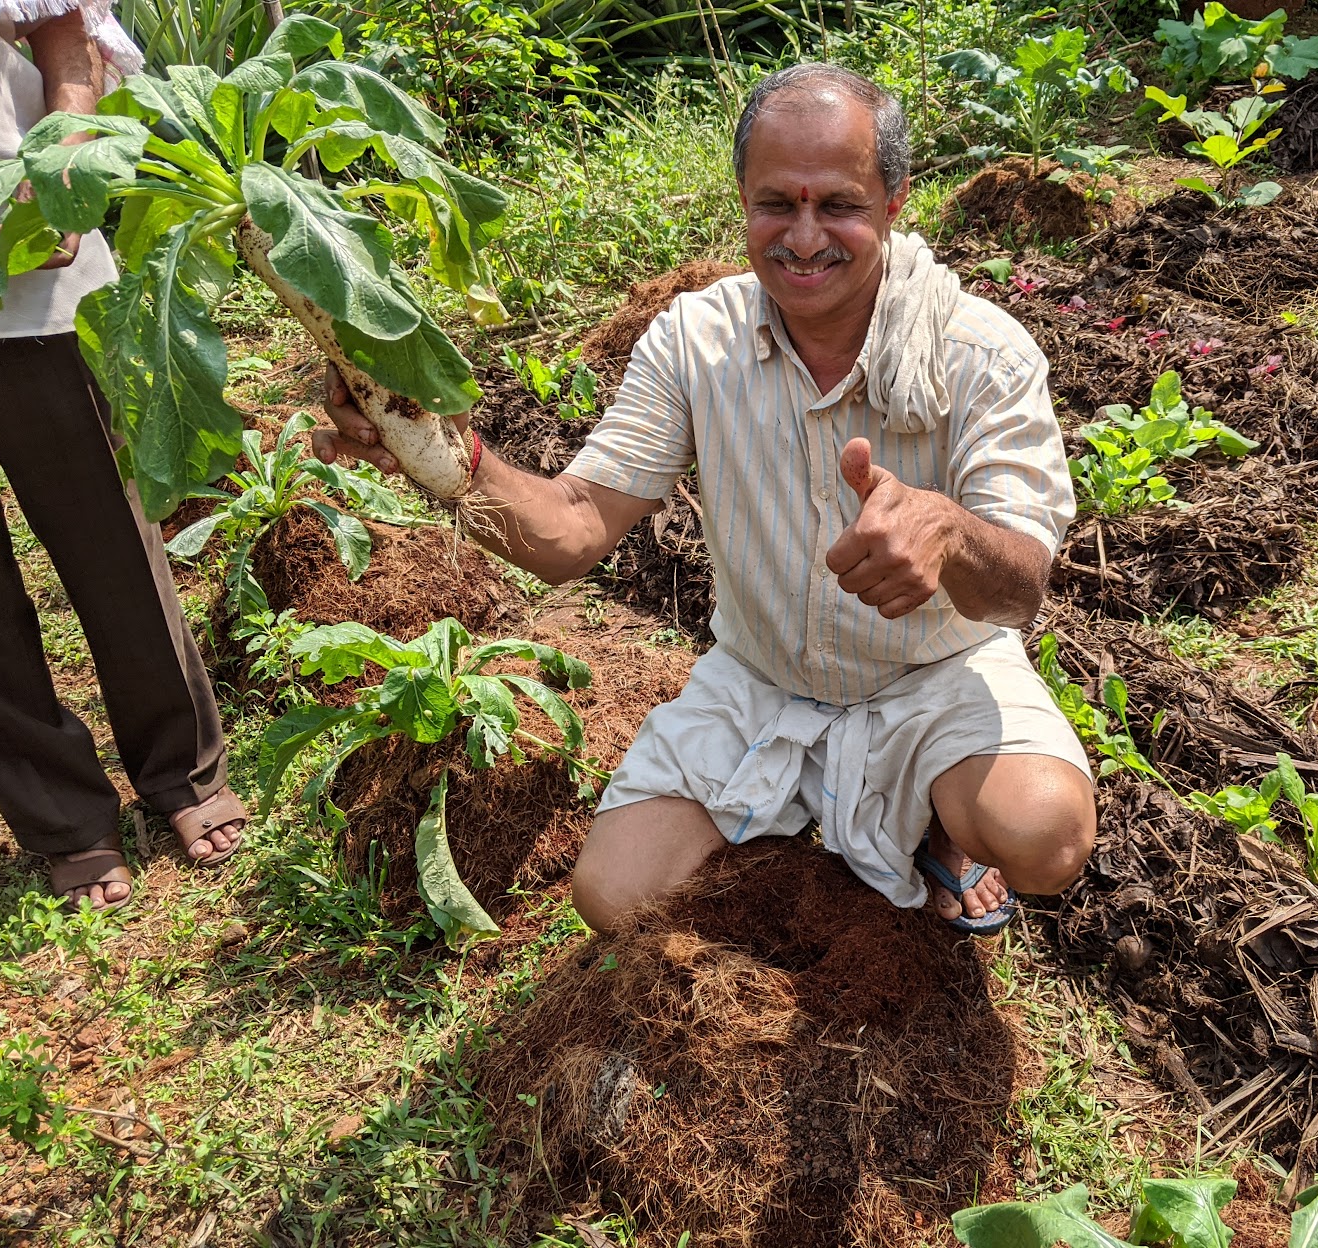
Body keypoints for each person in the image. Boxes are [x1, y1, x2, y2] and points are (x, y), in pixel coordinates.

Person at [316, 63, 1096, 935]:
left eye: (837, 203)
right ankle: (819, 811)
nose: (803, 238)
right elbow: (573, 531)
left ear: (894, 200)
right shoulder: (697, 341)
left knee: (1044, 834)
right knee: (614, 895)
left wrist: (950, 533)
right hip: (763, 680)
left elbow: (1023, 586)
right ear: (741, 199)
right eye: (776, 204)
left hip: (935, 674)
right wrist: (440, 454)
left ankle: (934, 825)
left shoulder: (979, 351)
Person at [0, 1, 246, 910]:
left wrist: (62, 169)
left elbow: (64, 26)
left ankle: (183, 771)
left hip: (19, 248)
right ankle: (62, 821)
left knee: (108, 538)